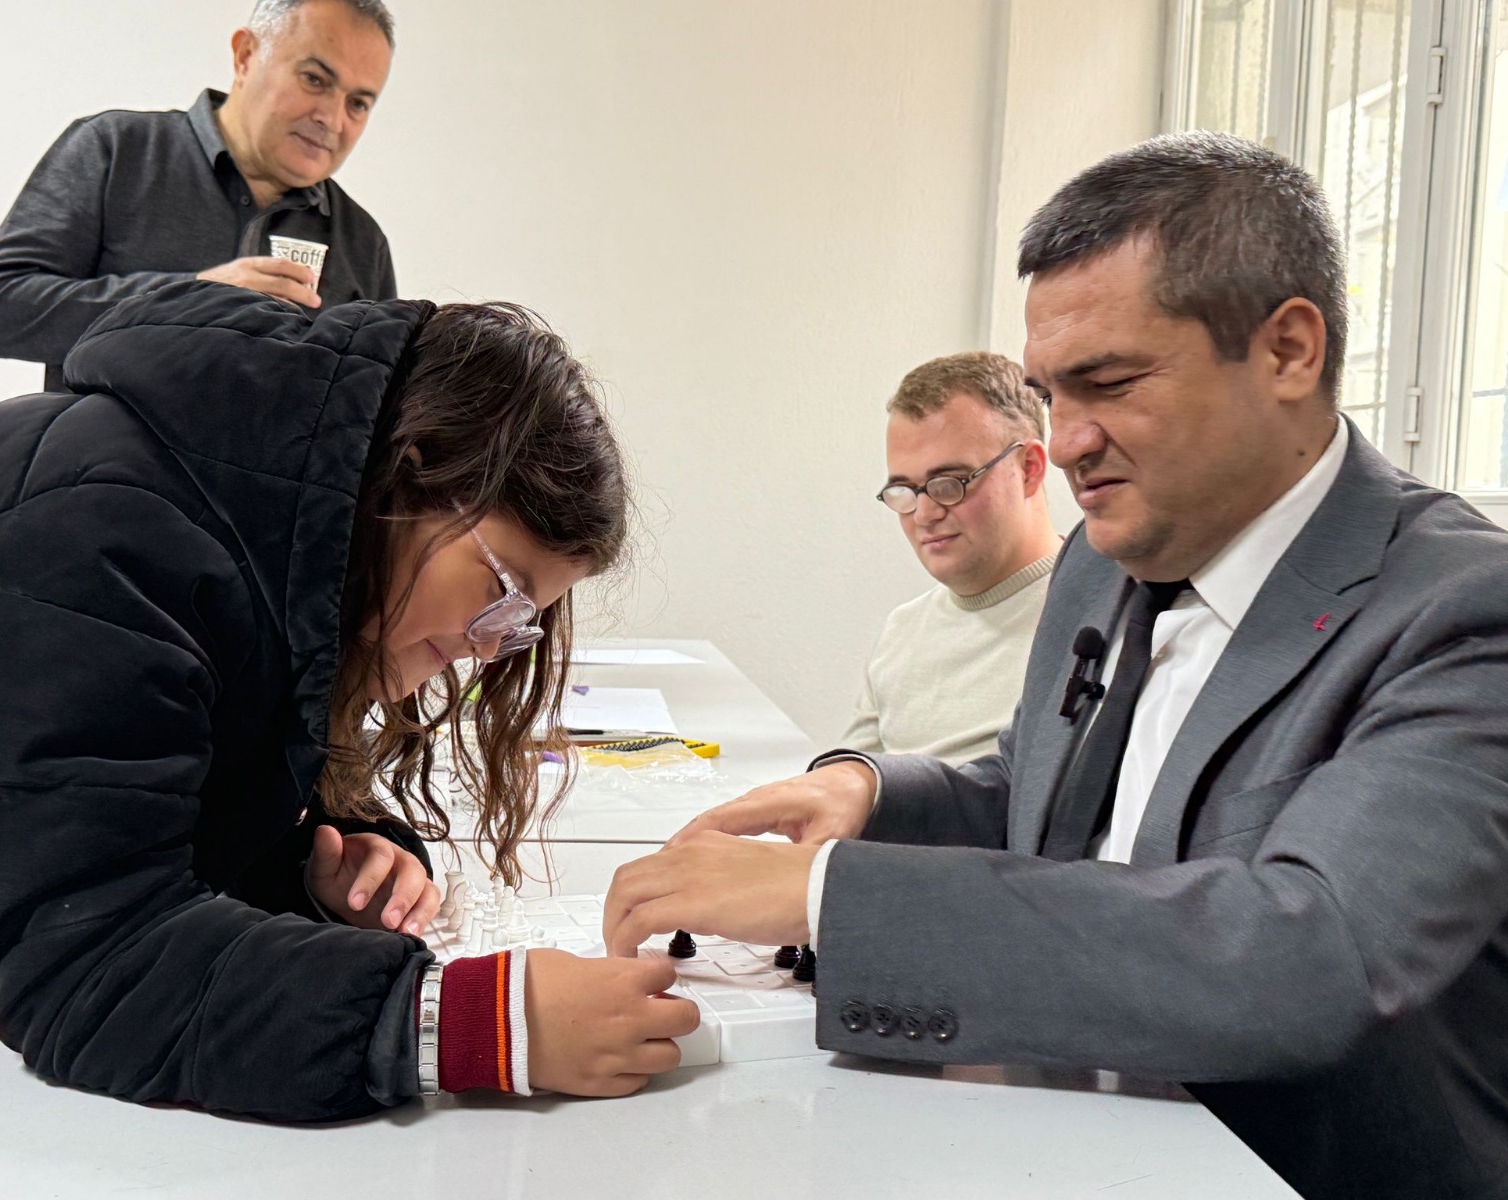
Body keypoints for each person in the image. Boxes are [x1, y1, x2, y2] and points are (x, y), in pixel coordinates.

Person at [604, 132, 1508, 1200]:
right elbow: (1043, 806)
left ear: (1287, 351)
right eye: (1049, 393)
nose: (1068, 443)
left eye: (1109, 383)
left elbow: (1308, 958)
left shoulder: (1458, 612)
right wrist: (868, 795)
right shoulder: (1105, 557)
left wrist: (826, 896)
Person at [0, 280, 697, 1116]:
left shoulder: (252, 527)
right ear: (411, 470)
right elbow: (83, 962)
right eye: (501, 592)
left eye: (520, 626)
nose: (487, 646)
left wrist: (317, 864)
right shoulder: (92, 535)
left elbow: (132, 802)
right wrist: (469, 1022)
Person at [0, 0, 399, 392]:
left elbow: (381, 406)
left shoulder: (364, 242)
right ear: (246, 56)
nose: (332, 118)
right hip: (100, 480)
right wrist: (189, 297)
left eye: (358, 104)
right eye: (314, 79)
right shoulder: (116, 149)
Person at [841, 352, 1059, 764]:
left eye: (950, 483)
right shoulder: (903, 630)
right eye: (904, 490)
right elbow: (843, 787)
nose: (924, 514)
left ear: (1029, 469)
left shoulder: (1100, 621)